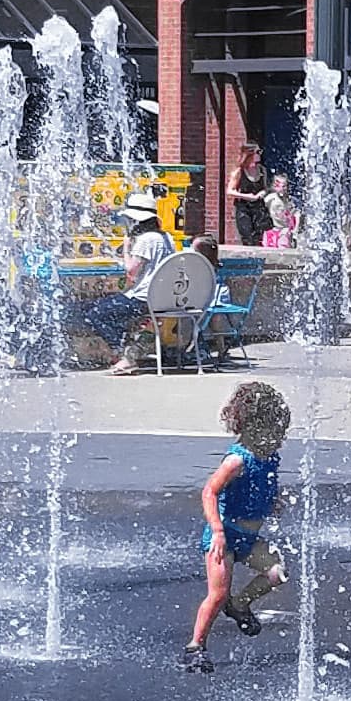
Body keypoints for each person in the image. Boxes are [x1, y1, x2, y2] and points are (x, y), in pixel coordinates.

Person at [182, 381, 291, 674]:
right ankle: (195, 646)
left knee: (276, 572)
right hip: (225, 537)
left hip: (248, 537)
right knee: (217, 593)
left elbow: (261, 486)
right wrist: (216, 531)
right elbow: (209, 491)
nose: (279, 439)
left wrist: (272, 501)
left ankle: (240, 605)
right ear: (255, 429)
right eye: (275, 432)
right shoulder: (237, 460)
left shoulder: (269, 458)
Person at [72, 191, 174, 376]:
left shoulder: (145, 240)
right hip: (161, 298)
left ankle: (124, 355)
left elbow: (131, 272)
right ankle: (126, 346)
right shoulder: (166, 237)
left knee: (94, 313)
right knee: (97, 307)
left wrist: (126, 247)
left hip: (142, 299)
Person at [227, 143, 268, 246]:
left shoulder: (262, 170)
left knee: (259, 236)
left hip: (258, 207)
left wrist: (262, 193)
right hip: (243, 208)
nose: (260, 154)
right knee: (247, 236)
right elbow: (230, 191)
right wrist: (247, 196)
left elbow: (265, 188)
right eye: (258, 152)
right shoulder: (239, 172)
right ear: (250, 154)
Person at [262, 173, 297, 248]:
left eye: (284, 186)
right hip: (272, 229)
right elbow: (262, 206)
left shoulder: (288, 200)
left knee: (283, 246)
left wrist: (294, 230)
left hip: (284, 229)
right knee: (269, 248)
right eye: (278, 186)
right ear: (274, 186)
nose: (282, 188)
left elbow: (295, 214)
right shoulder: (271, 198)